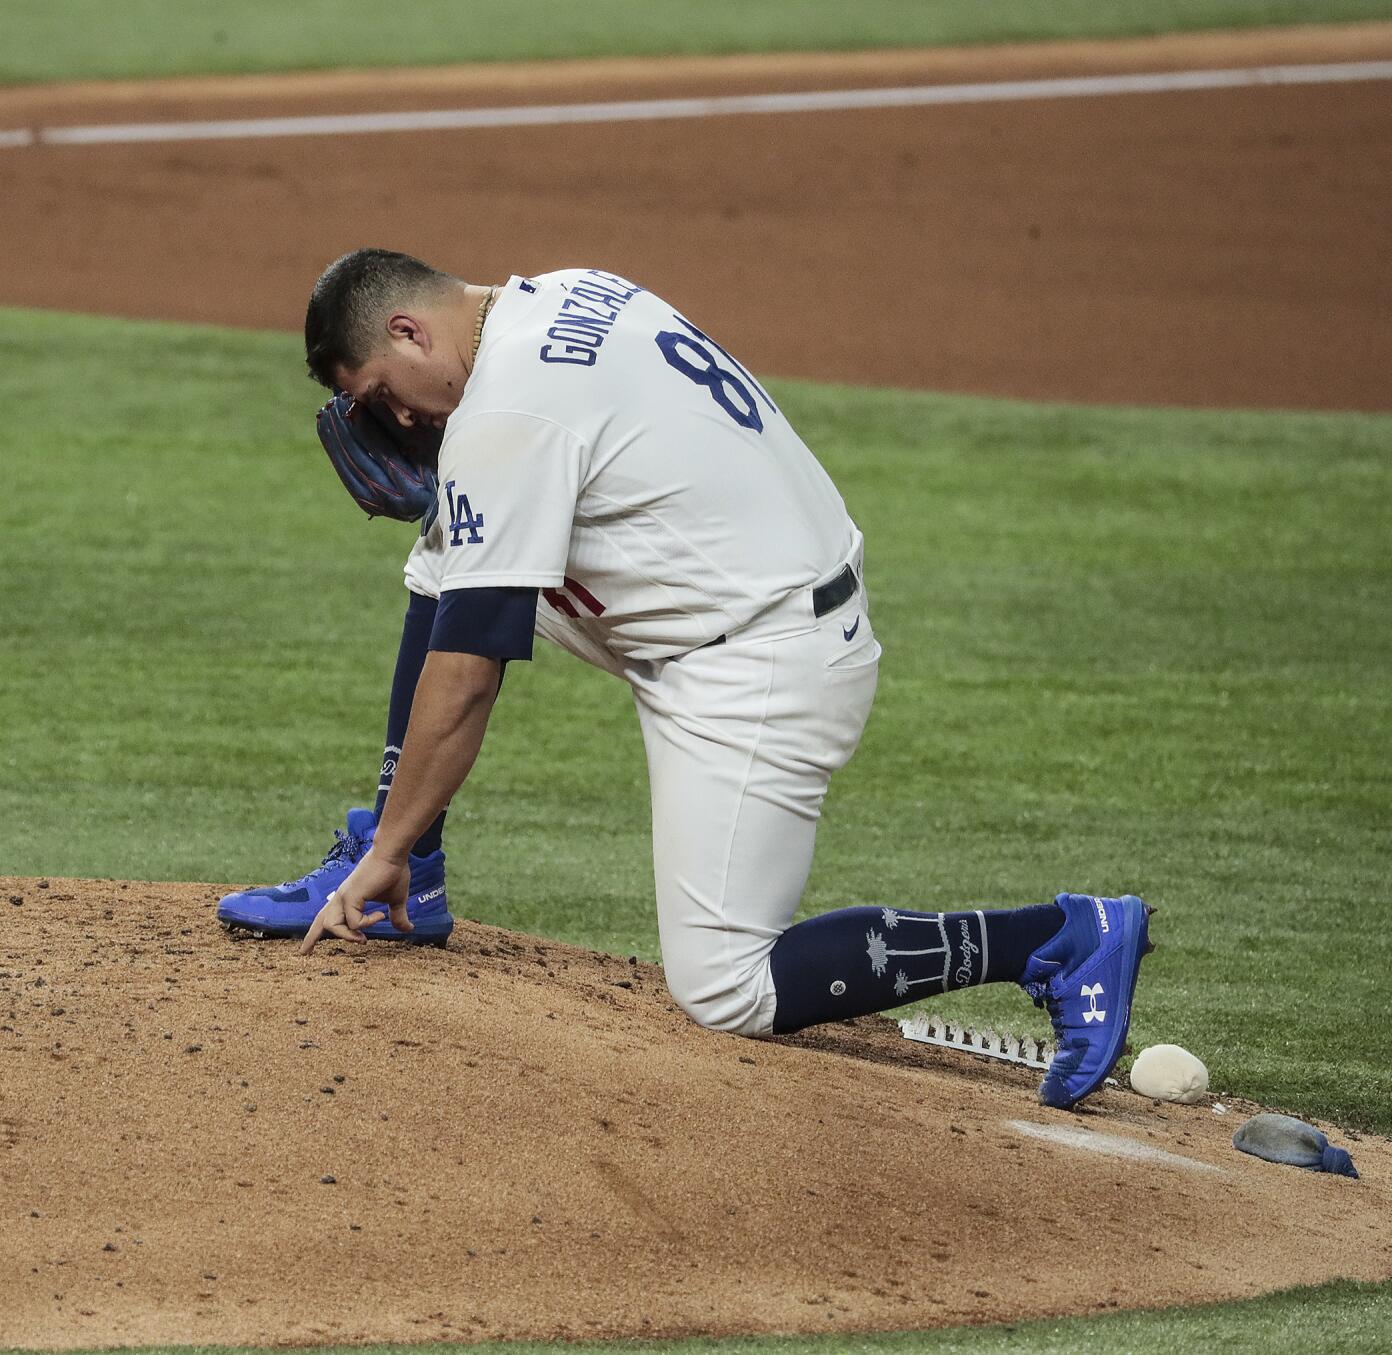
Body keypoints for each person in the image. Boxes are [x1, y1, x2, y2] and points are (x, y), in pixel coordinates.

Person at [217, 249, 1153, 1108]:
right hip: (732, 591)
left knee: (723, 985)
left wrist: (385, 839)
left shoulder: (506, 411)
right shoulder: (561, 293)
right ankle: (410, 870)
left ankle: (1059, 938)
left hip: (761, 658)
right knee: (448, 552)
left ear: (410, 332)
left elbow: (469, 674)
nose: (403, 422)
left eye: (385, 392)